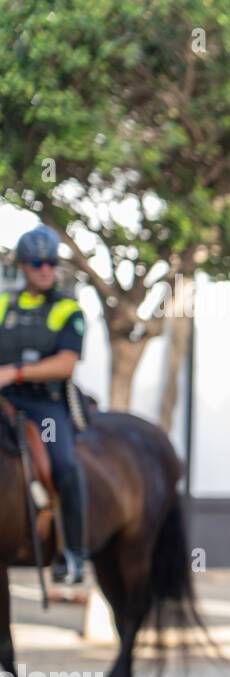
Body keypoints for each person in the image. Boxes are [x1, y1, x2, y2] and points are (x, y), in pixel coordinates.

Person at [0, 224, 89, 583]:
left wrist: (15, 372)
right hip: (2, 401)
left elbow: (67, 363)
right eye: (37, 262)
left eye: (51, 262)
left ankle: (73, 554)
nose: (45, 268)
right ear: (23, 265)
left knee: (65, 466)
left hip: (45, 406)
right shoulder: (4, 304)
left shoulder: (69, 310)